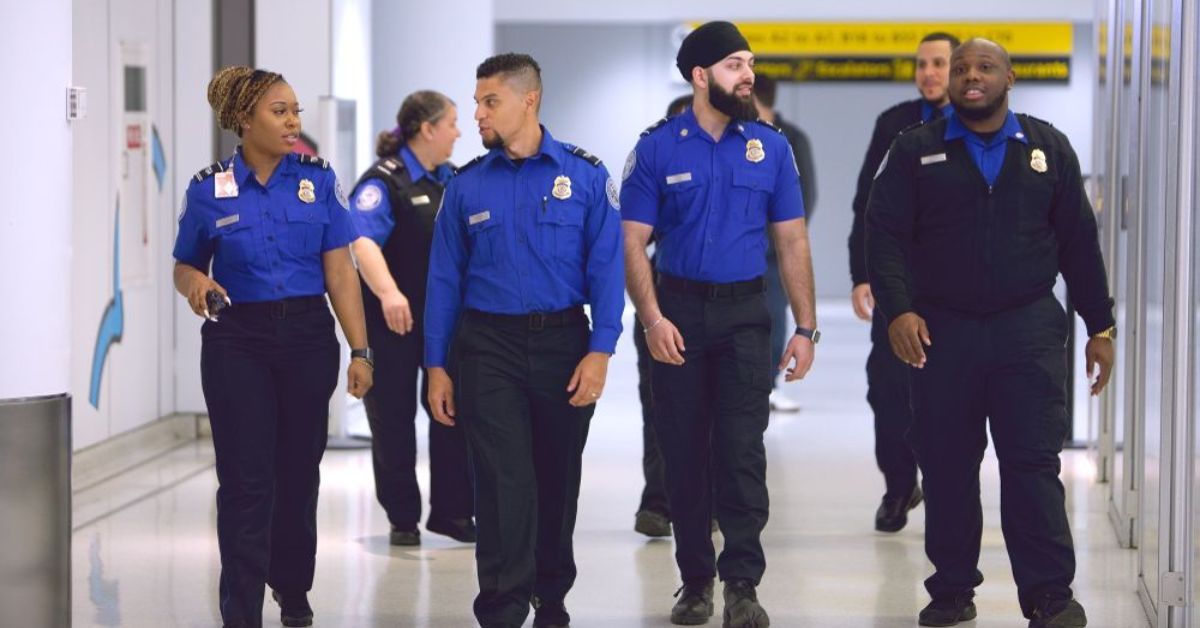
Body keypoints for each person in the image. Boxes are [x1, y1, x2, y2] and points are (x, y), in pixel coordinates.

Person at [866, 38, 1114, 628]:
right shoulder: (915, 149)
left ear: (1009, 78)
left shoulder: (1047, 148)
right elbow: (885, 235)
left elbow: (1079, 243)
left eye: (984, 67)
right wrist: (898, 311)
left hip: (1027, 330)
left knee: (1032, 464)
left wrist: (1099, 324)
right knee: (947, 465)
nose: (970, 76)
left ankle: (1050, 596)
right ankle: (952, 591)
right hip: (941, 332)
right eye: (961, 68)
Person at [622, 22, 817, 628]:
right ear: (701, 75)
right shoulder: (656, 149)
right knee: (683, 453)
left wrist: (806, 328)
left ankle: (742, 583)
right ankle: (695, 581)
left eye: (750, 63)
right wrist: (652, 319)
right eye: (736, 65)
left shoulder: (771, 148)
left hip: (744, 317)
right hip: (676, 315)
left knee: (740, 451)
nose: (748, 75)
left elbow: (792, 241)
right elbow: (631, 243)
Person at [424, 53, 624, 628]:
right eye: (476, 103)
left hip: (564, 343)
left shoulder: (585, 177)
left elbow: (607, 269)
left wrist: (601, 350)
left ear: (528, 100)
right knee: (501, 479)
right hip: (488, 347)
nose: (478, 115)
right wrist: (436, 365)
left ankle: (551, 595)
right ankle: (503, 606)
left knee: (557, 476)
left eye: (490, 102)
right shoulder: (465, 186)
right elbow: (443, 280)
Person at [172, 65, 373, 628]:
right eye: (279, 111)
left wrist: (361, 351)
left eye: (295, 111)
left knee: (298, 473)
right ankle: (241, 610)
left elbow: (341, 272)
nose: (293, 122)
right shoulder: (208, 189)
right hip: (237, 340)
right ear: (243, 118)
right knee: (245, 480)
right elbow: (184, 265)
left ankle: (292, 585)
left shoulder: (318, 180)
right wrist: (197, 284)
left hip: (307, 337)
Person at [349, 91, 475, 547]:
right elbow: (362, 242)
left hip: (445, 321)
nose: (458, 132)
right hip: (394, 323)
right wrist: (388, 293)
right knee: (393, 418)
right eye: (452, 123)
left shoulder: (452, 179)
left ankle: (453, 513)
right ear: (427, 129)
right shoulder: (385, 181)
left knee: (451, 411)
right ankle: (402, 517)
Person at [849, 31, 960, 534]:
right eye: (921, 64)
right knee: (888, 390)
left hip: (958, 289)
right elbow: (867, 204)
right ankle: (899, 486)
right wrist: (862, 275)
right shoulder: (894, 124)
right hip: (898, 284)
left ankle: (948, 490)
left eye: (939, 63)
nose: (929, 73)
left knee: (951, 395)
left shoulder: (977, 125)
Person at [633, 93, 693, 539]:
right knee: (658, 406)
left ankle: (708, 500)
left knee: (714, 411)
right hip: (662, 300)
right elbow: (634, 238)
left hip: (722, 303)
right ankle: (657, 500)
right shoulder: (654, 169)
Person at [752, 75, 818, 413]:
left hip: (772, 254)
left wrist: (783, 239)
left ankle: (770, 385)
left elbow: (806, 196)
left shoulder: (791, 139)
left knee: (774, 317)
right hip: (739, 252)